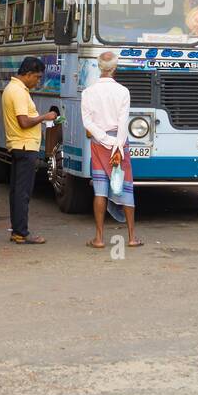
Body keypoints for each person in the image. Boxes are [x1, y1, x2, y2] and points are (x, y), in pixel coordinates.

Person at [81, 51, 141, 250]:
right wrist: (117, 145)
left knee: (100, 191)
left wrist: (104, 139)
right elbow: (123, 122)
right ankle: (132, 237)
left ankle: (99, 238)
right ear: (115, 68)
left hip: (99, 144)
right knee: (126, 188)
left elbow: (87, 122)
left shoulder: (88, 92)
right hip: (119, 144)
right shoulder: (123, 91)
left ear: (99, 67)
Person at [1, 56, 57, 244]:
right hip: (24, 146)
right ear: (28, 74)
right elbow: (24, 122)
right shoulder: (17, 91)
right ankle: (21, 233)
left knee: (17, 192)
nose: (38, 81)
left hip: (19, 146)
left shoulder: (14, 89)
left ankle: (17, 230)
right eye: (37, 77)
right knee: (23, 192)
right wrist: (45, 117)